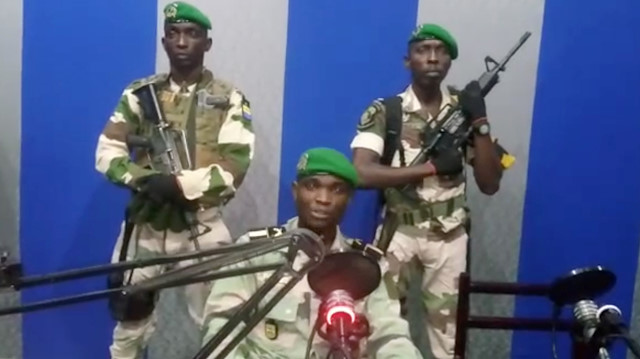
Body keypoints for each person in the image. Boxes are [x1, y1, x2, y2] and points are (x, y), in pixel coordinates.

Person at [94, 2, 255, 358]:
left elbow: (234, 168)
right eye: (174, 34)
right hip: (146, 226)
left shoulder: (229, 98)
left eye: (192, 34)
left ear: (207, 44)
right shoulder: (140, 95)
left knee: (222, 321)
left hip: (201, 225)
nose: (182, 41)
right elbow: (107, 153)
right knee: (130, 315)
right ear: (165, 42)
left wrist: (180, 186)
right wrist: (143, 180)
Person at [350, 23, 513, 358]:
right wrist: (431, 168)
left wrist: (480, 121)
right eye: (423, 50)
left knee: (450, 337)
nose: (432, 57)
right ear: (407, 60)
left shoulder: (463, 109)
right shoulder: (387, 111)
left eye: (440, 51)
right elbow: (360, 172)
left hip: (450, 236)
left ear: (450, 62)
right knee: (383, 329)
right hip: (400, 233)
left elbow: (490, 182)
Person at [201, 148, 422, 359]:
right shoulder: (256, 252)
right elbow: (221, 325)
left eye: (337, 189)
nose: (323, 199)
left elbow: (391, 335)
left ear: (350, 198)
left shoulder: (365, 265)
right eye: (312, 186)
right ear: (296, 191)